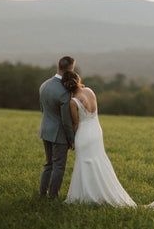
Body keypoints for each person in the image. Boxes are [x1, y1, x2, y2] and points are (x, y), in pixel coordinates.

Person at [61, 71, 137, 207]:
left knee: (84, 164)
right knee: (99, 162)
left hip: (83, 135)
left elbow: (75, 123)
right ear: (78, 79)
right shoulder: (90, 91)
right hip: (96, 132)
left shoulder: (73, 102)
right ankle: (99, 192)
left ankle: (85, 195)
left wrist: (71, 140)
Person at [38, 56, 76, 199]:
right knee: (59, 166)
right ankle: (53, 196)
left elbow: (43, 109)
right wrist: (71, 139)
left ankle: (43, 193)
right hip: (59, 134)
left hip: (45, 130)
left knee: (48, 164)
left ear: (58, 66)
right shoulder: (64, 91)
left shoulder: (44, 85)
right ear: (71, 69)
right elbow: (66, 121)